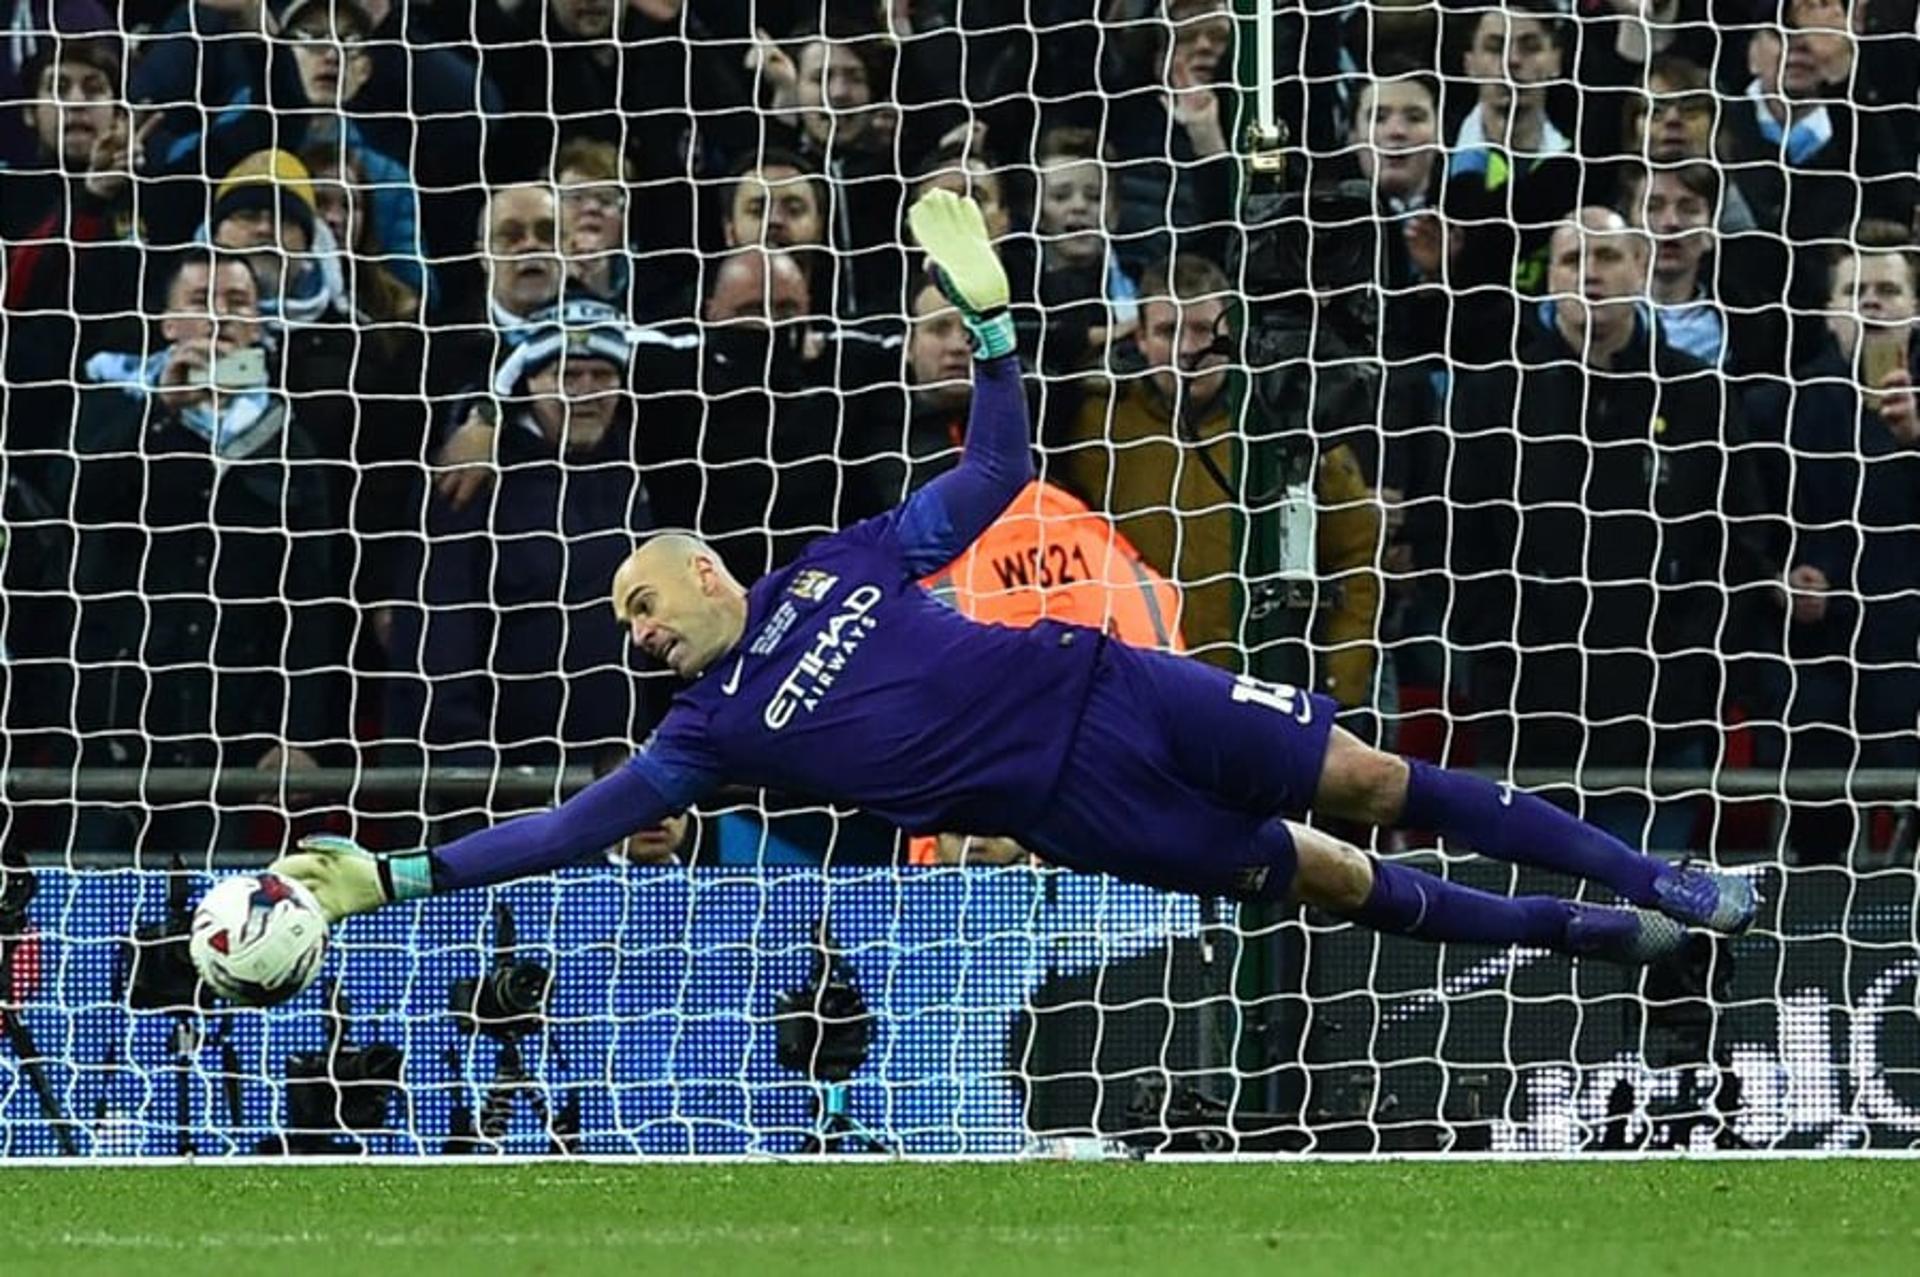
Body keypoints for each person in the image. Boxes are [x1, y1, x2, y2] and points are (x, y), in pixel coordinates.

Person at [274, 193, 1757, 967]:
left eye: (642, 602)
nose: (638, 630)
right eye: (626, 625)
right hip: (1078, 807)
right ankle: (1600, 936)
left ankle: (1655, 872)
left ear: (705, 574)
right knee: (1330, 875)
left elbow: (987, 484)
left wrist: (991, 334)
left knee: (1368, 776)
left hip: (1119, 684)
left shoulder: (834, 562)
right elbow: (568, 824)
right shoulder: (706, 734)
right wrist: (394, 876)